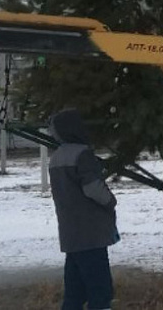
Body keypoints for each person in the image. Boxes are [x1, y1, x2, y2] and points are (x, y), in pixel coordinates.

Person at [48, 108, 119, 310]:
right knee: (101, 291)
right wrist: (110, 201)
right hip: (91, 233)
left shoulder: (56, 159)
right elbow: (92, 188)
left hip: (71, 234)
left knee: (74, 293)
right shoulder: (82, 154)